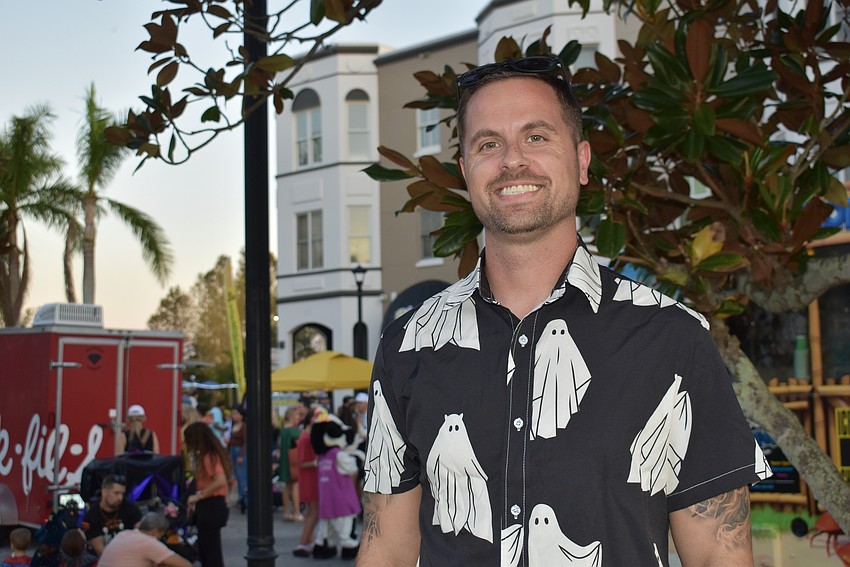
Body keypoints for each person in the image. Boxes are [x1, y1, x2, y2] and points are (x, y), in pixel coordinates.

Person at [356, 56, 772, 566]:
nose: (512, 161)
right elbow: (387, 550)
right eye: (488, 144)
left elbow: (718, 555)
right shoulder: (407, 345)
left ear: (581, 160)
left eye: (536, 137)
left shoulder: (672, 338)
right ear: (465, 171)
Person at [184, 421, 231, 567]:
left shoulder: (208, 457)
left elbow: (220, 480)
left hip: (211, 505)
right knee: (208, 551)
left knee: (210, 553)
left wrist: (199, 495)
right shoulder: (213, 454)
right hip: (214, 505)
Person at [98, 511, 191, 567]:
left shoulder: (123, 534)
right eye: (161, 535)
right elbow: (186, 565)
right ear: (155, 531)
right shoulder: (148, 542)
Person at [84, 474, 143, 556]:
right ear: (104, 492)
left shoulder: (131, 508)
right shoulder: (92, 515)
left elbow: (142, 535)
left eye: (122, 494)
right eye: (116, 493)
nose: (120, 498)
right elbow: (100, 550)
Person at [292, 406, 322, 557]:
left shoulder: (308, 435)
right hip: (310, 477)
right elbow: (302, 462)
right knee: (314, 511)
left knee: (312, 511)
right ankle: (304, 541)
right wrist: (316, 461)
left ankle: (307, 540)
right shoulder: (305, 437)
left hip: (312, 476)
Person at [278, 405, 304, 522]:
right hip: (293, 460)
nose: (298, 417)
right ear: (291, 416)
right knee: (295, 486)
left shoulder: (283, 430)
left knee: (286, 487)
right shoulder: (294, 431)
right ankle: (297, 512)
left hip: (284, 460)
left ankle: (286, 512)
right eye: (297, 415)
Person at [227, 405, 248, 513]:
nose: (233, 416)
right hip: (233, 450)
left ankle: (244, 499)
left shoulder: (243, 426)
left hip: (240, 451)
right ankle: (241, 498)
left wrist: (241, 455)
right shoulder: (233, 425)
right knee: (237, 476)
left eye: (236, 413)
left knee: (242, 476)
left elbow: (246, 442)